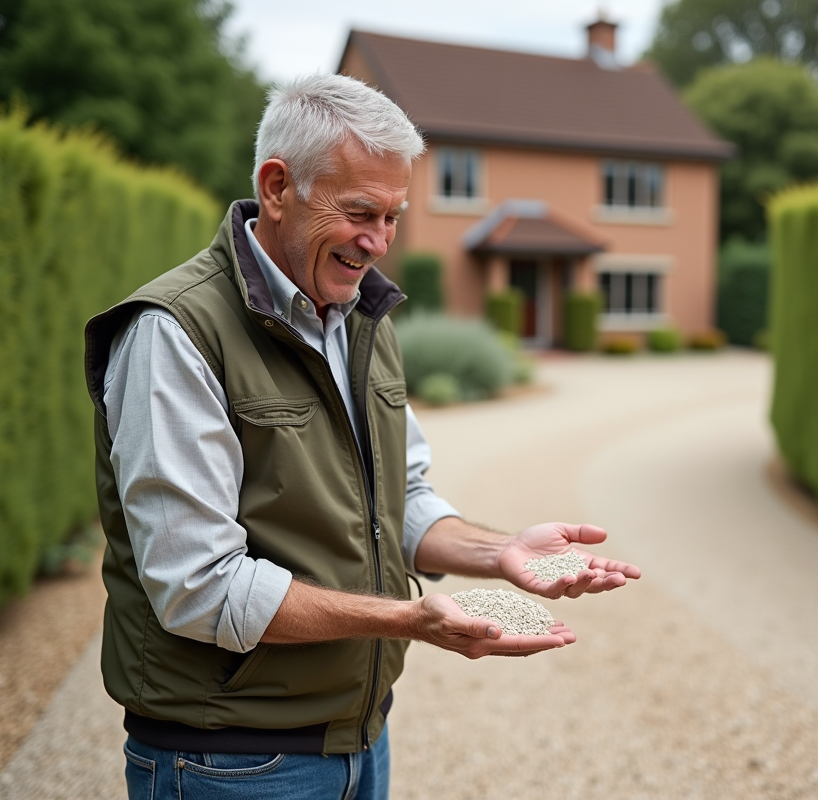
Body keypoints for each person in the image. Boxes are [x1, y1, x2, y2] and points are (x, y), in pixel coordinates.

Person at [83, 72, 640, 800]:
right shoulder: (175, 333)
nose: (378, 242)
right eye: (359, 212)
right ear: (278, 187)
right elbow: (198, 588)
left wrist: (496, 553)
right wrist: (409, 620)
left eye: (394, 216)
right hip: (225, 762)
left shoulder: (359, 321)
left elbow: (396, 499)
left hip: (359, 742)